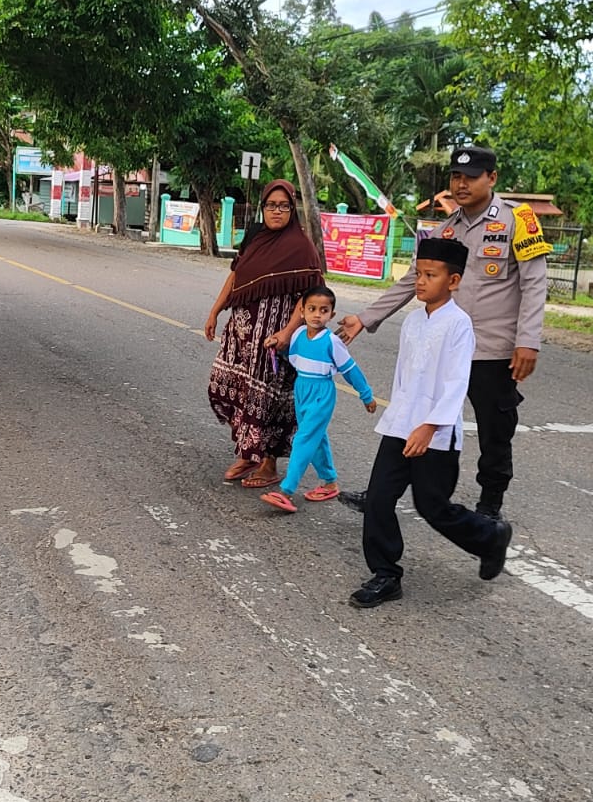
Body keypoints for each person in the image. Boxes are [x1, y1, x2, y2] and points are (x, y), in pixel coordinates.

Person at [338, 144, 545, 521]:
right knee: (412, 417)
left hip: (491, 351)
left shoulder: (519, 220)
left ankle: (490, 507)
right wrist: (366, 318)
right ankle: (382, 493)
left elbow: (534, 284)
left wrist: (527, 341)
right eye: (455, 177)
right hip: (444, 347)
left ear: (492, 178)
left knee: (494, 432)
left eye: (470, 177)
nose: (461, 184)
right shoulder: (446, 229)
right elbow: (411, 280)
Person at [351, 238, 514, 609]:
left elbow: (457, 383)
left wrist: (430, 426)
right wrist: (399, 417)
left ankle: (490, 537)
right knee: (377, 499)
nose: (420, 281)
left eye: (430, 275)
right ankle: (385, 574)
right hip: (399, 428)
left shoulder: (459, 324)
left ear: (453, 280)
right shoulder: (412, 320)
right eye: (418, 274)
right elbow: (405, 378)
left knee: (433, 507)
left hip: (435, 436)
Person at [205, 180, 324, 489]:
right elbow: (235, 275)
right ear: (263, 207)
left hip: (273, 340)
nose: (277, 211)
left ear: (292, 209)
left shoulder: (301, 247)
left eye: (284, 206)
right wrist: (215, 311)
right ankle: (248, 452)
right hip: (241, 334)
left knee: (266, 400)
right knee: (228, 388)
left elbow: (310, 296)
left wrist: (287, 331)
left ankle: (268, 464)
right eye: (271, 205)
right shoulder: (255, 237)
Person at [256, 284, 376, 512]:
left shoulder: (332, 342)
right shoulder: (299, 333)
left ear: (332, 314)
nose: (317, 315)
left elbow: (350, 370)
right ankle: (329, 482)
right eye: (312, 309)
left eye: (323, 310)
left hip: (322, 394)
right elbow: (294, 356)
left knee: (303, 438)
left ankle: (286, 491)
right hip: (302, 388)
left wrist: (366, 395)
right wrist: (276, 348)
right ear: (302, 311)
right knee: (316, 438)